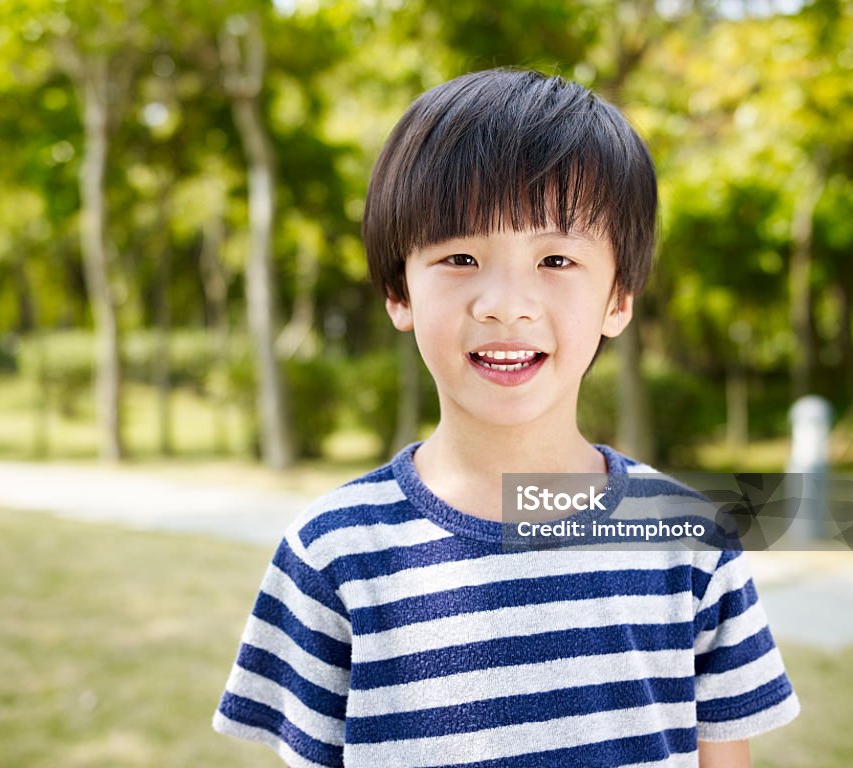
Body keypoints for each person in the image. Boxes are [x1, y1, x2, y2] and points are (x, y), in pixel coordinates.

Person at [213, 68, 799, 768]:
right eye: (460, 256)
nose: (506, 303)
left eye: (556, 258)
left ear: (620, 298)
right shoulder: (332, 553)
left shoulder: (690, 542)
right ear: (400, 290)